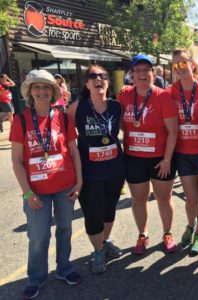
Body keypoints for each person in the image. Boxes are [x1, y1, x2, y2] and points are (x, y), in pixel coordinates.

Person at [10, 69, 82, 299]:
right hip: (36, 191)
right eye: (37, 87)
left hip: (64, 186)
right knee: (39, 236)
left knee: (65, 229)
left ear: (53, 92)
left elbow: (73, 151)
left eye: (46, 88)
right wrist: (27, 193)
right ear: (30, 92)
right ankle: (37, 278)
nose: (42, 92)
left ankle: (64, 268)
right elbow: (16, 161)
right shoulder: (20, 120)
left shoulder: (62, 117)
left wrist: (79, 182)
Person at [118, 54, 178, 255]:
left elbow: (173, 131)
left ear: (153, 73)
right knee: (138, 199)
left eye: (147, 70)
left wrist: (167, 159)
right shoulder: (124, 95)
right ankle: (142, 234)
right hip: (133, 158)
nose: (142, 74)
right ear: (132, 74)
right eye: (138, 70)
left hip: (160, 159)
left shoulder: (163, 96)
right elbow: (119, 124)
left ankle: (167, 233)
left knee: (163, 197)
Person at [67, 65, 125, 274]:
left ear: (108, 82)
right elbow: (66, 138)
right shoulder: (77, 107)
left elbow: (130, 129)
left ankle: (105, 241)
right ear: (87, 83)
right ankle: (97, 251)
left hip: (115, 170)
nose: (98, 79)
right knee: (93, 214)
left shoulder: (116, 106)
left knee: (109, 209)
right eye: (93, 76)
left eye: (103, 76)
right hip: (89, 173)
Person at [166, 48, 198, 254]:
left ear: (192, 64)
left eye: (183, 63)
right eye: (176, 65)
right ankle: (190, 225)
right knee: (191, 199)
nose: (180, 68)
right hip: (182, 153)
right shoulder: (170, 92)